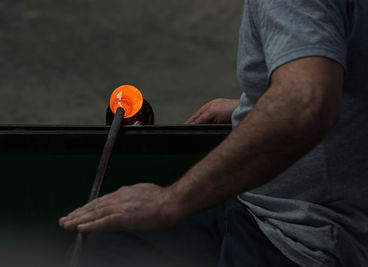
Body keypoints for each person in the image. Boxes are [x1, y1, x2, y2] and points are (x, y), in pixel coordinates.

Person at [59, 0, 368, 266]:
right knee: (116, 238)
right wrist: (256, 105)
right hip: (332, 224)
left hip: (296, 237)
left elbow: (306, 102)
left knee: (107, 247)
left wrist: (172, 201)